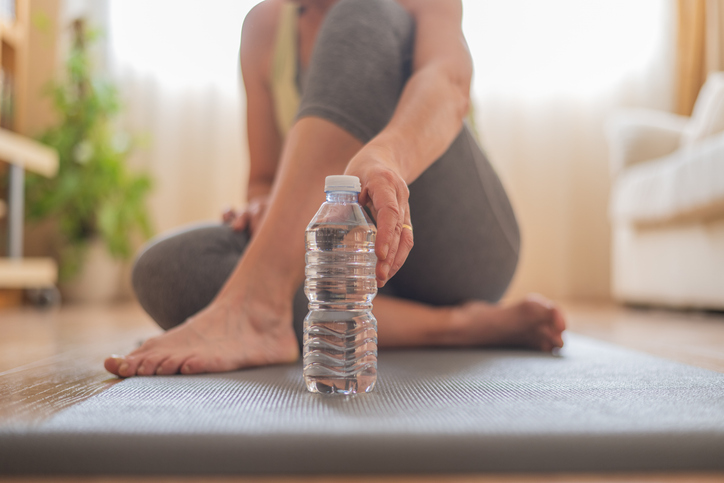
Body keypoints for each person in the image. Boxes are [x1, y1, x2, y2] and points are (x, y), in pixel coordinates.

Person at [104, 0, 565, 378]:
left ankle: (260, 307)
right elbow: (264, 173)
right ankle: (457, 327)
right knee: (166, 268)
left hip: (456, 245)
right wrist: (265, 205)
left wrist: (386, 158)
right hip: (343, 263)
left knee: (364, 10)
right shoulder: (264, 27)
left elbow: (449, 83)